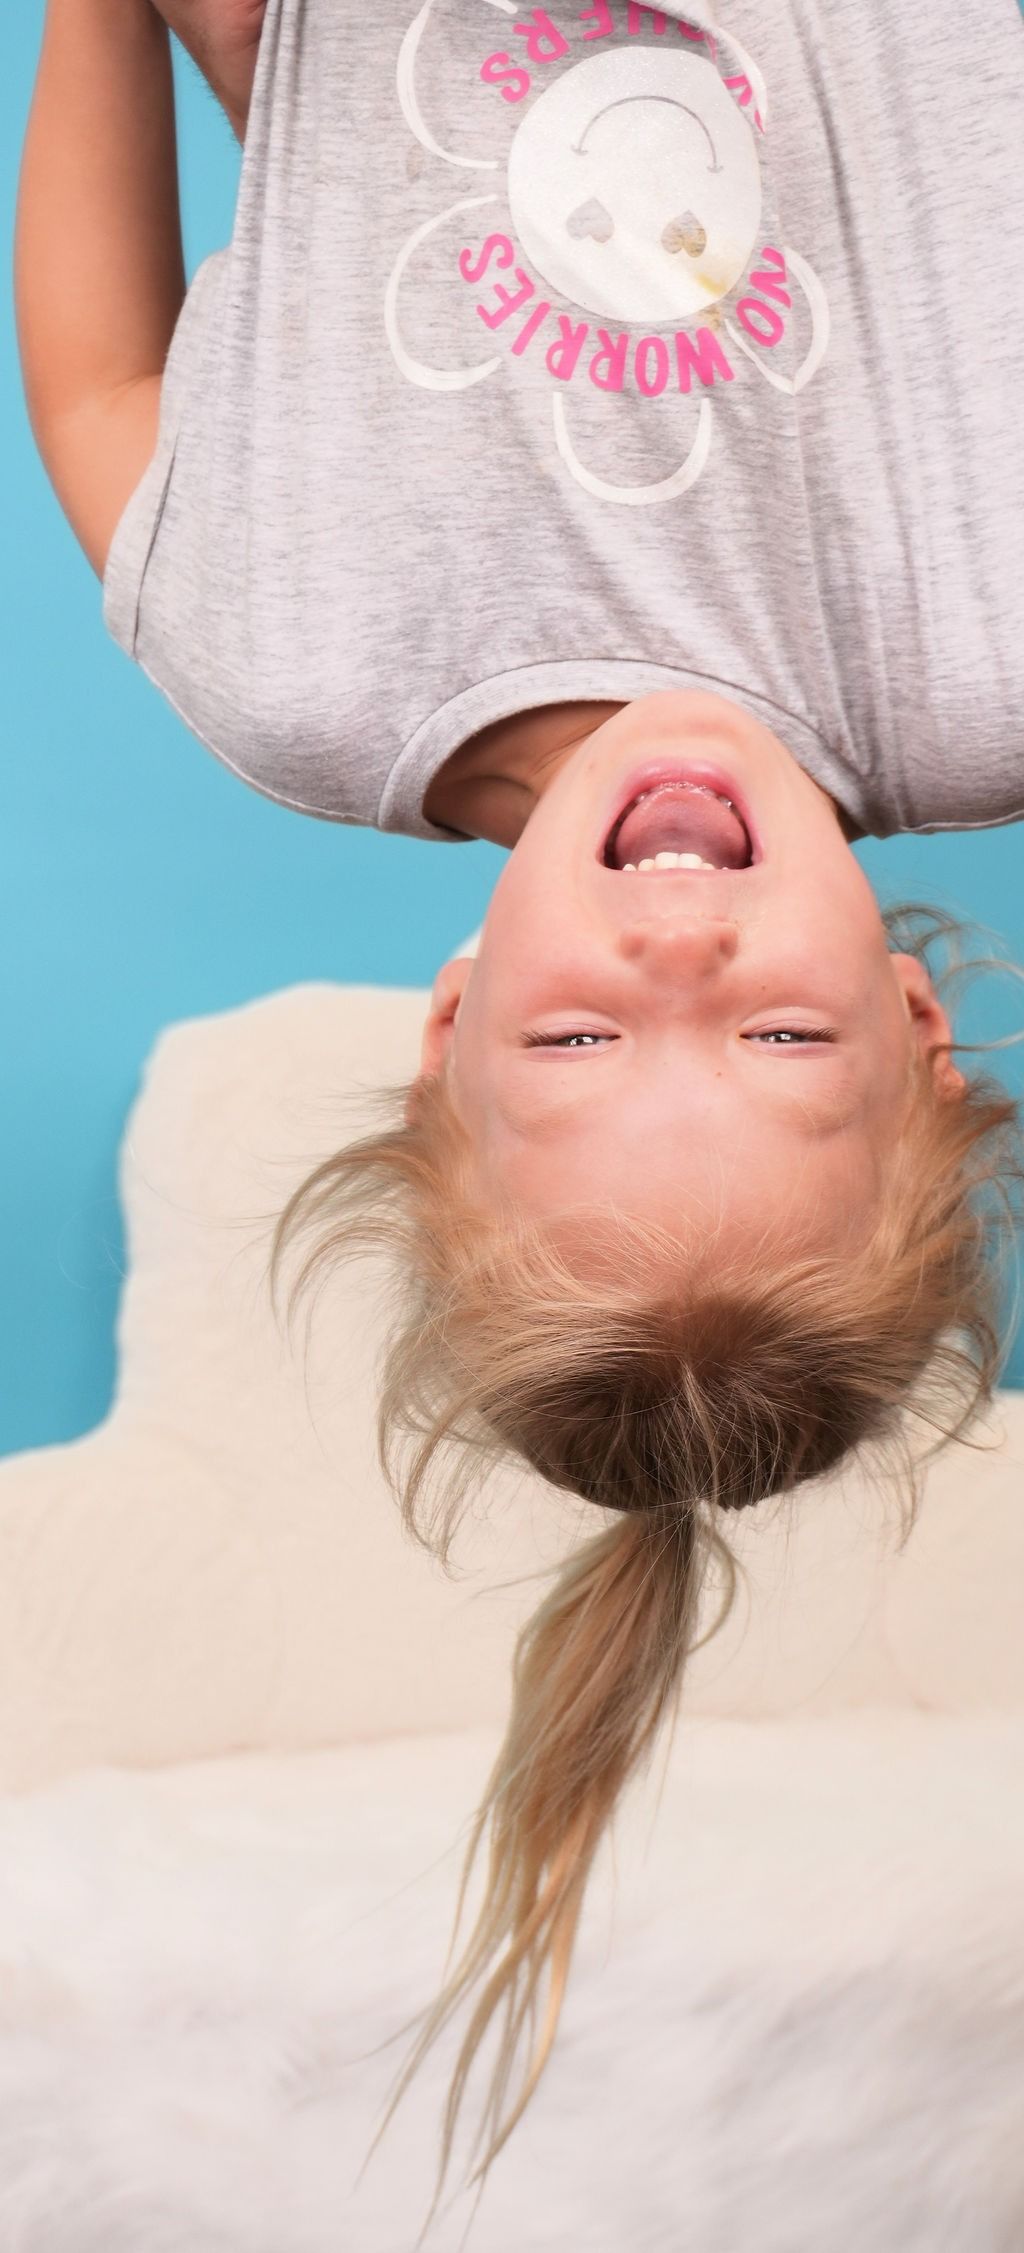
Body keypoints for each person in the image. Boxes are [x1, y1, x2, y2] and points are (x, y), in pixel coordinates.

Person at [16, 0, 1024, 2199]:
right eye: (777, 1044)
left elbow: (109, 388)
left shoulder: (294, 675)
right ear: (918, 1036)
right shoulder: (990, 655)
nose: (678, 963)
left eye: (578, 1047)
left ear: (453, 1021)